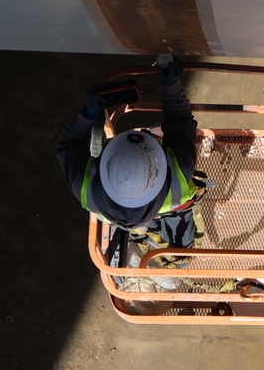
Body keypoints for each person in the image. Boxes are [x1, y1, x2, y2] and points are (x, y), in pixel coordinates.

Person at [55, 56, 201, 248]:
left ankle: (150, 237)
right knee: (182, 244)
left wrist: (87, 117)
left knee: (177, 245)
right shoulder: (179, 173)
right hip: (172, 208)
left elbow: (67, 145)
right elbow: (180, 121)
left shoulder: (86, 189)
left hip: (159, 209)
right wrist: (171, 85)